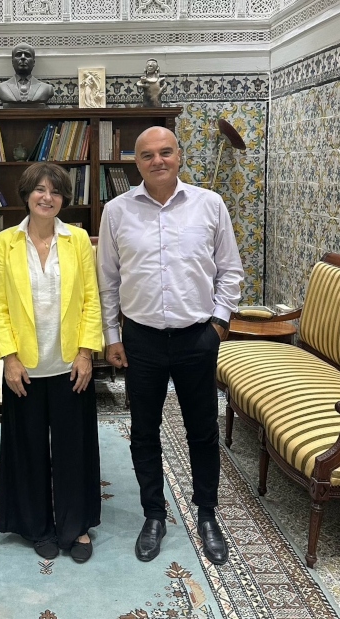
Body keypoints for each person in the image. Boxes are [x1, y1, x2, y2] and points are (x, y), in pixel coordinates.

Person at [96, 126, 243, 566]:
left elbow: (230, 271)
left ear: (179, 155)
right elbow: (107, 281)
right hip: (140, 340)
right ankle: (154, 515)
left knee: (201, 429)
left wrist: (218, 324)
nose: (157, 160)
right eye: (147, 155)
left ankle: (207, 513)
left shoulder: (209, 204)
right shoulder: (116, 211)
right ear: (135, 162)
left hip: (198, 337)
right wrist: (112, 337)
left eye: (165, 152)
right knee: (144, 432)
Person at [0, 163, 102, 563]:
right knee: (28, 447)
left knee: (74, 447)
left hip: (71, 362)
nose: (46, 197)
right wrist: (10, 358)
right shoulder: (3, 242)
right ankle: (37, 525)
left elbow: (92, 300)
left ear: (63, 199)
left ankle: (76, 526)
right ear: (26, 195)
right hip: (25, 367)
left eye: (55, 192)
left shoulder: (77, 242)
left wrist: (87, 352)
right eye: (38, 190)